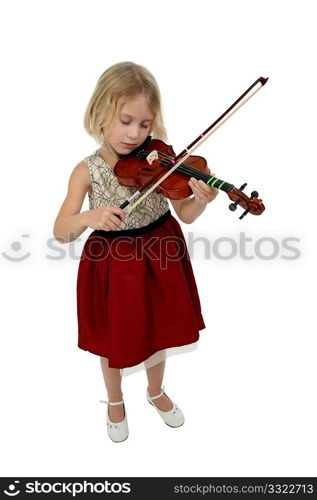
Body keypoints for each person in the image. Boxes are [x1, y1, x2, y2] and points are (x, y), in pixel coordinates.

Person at [53, 61, 218, 443]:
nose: (135, 134)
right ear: (100, 113)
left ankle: (155, 391)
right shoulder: (86, 170)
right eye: (125, 121)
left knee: (157, 330)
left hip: (161, 249)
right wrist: (91, 215)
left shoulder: (157, 161)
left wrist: (202, 198)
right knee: (114, 336)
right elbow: (61, 230)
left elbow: (187, 214)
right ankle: (114, 399)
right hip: (113, 261)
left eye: (144, 125)